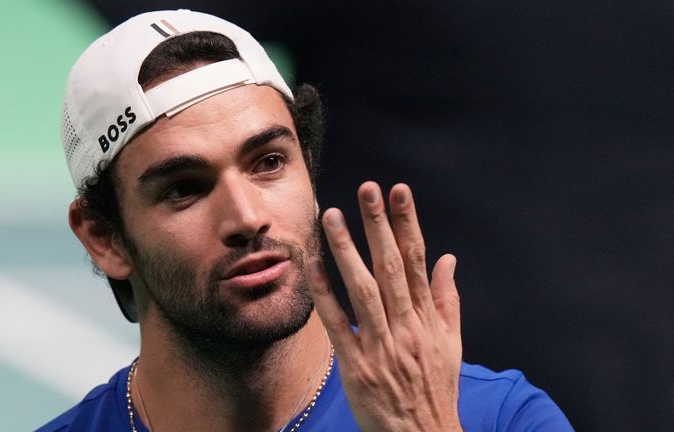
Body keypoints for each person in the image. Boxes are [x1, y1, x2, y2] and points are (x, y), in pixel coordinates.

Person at [39, 10, 573, 432]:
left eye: (269, 163)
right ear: (103, 237)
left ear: (310, 171)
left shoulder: (500, 419)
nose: (247, 218)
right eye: (184, 189)